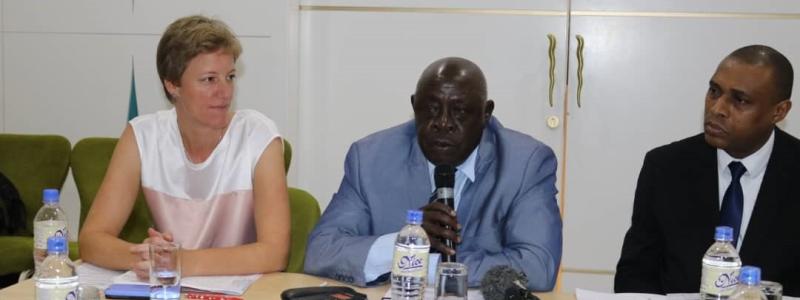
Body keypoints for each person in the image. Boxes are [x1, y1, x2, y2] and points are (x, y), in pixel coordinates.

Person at [303, 57, 562, 290]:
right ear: (415, 107)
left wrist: (421, 263)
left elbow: (537, 267)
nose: (443, 123)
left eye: (459, 111)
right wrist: (403, 243)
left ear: (486, 113)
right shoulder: (370, 158)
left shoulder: (525, 164)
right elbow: (320, 251)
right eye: (432, 109)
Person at [79, 15, 290, 278]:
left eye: (230, 77)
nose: (225, 91)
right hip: (167, 289)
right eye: (210, 79)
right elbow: (91, 240)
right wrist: (149, 258)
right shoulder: (143, 135)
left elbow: (274, 253)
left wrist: (180, 262)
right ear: (172, 84)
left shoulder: (258, 136)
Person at [615, 45, 800, 296]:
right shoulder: (666, 167)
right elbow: (635, 275)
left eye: (740, 100)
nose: (717, 109)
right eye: (714, 91)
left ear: (779, 111)